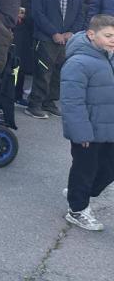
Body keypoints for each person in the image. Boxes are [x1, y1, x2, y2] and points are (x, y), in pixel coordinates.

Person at [60, 15, 114, 231]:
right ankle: (77, 209)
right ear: (92, 35)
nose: (113, 40)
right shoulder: (78, 62)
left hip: (109, 126)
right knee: (85, 170)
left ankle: (77, 191)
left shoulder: (108, 57)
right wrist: (80, 133)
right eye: (108, 35)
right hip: (88, 131)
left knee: (108, 168)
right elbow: (72, 102)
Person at [27, 0, 87, 120]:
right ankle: (35, 104)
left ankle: (50, 102)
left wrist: (71, 32)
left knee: (59, 72)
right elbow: (37, 14)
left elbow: (81, 14)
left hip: (67, 39)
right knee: (43, 72)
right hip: (46, 38)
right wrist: (54, 33)